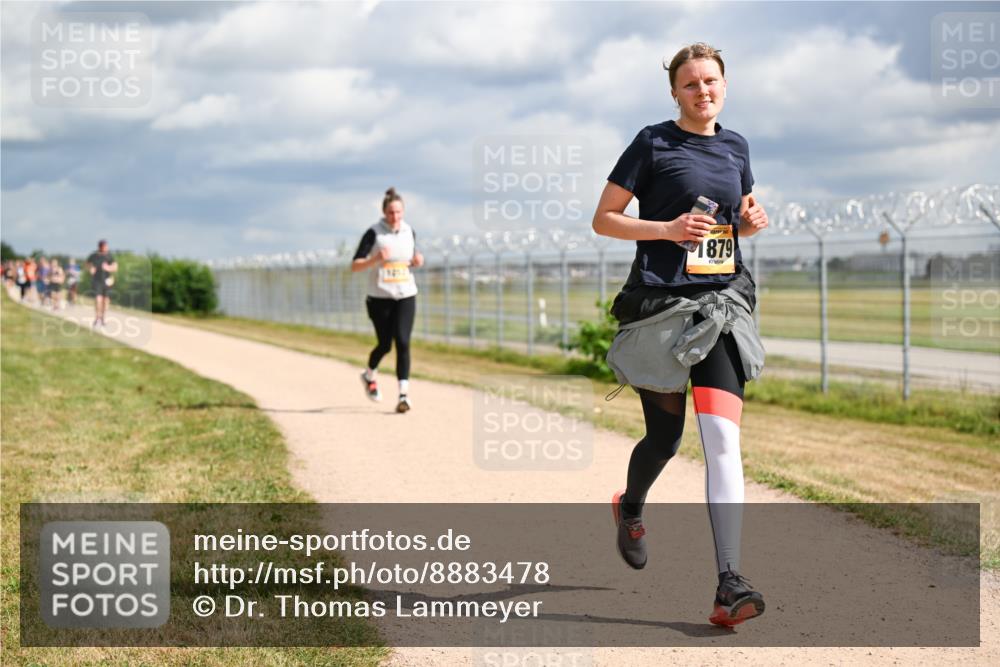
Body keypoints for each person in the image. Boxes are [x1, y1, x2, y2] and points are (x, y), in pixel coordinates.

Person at [592, 43, 770, 628]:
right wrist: (666, 228)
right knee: (665, 439)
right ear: (675, 92)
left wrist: (747, 222)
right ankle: (632, 507)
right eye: (691, 84)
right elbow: (605, 218)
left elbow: (736, 215)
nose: (703, 91)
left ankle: (729, 582)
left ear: (725, 85)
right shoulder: (652, 142)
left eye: (711, 81)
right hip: (663, 307)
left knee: (722, 441)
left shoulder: (737, 147)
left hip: (720, 306)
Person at [351, 187, 423, 413]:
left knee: (402, 342)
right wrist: (375, 259)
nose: (396, 217)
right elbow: (355, 265)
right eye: (391, 213)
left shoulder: (409, 231)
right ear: (384, 212)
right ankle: (369, 375)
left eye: (399, 212)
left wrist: (417, 260)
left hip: (406, 294)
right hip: (380, 297)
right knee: (385, 344)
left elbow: (410, 258)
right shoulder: (374, 234)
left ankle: (404, 395)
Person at [86, 239, 118, 329]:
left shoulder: (109, 256)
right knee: (98, 300)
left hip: (107, 281)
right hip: (97, 281)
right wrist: (90, 269)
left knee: (106, 301)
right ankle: (97, 318)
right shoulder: (94, 256)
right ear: (100, 247)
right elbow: (87, 264)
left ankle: (103, 318)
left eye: (107, 246)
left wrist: (108, 268)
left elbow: (115, 267)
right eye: (105, 246)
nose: (106, 248)